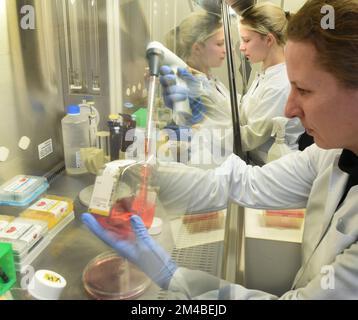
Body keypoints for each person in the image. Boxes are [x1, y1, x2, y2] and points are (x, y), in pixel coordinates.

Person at [82, 0, 358, 299]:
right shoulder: (330, 154)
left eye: (304, 90)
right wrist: (150, 173)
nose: (289, 109)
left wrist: (174, 277)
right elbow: (243, 183)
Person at [162, 2, 305, 166]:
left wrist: (205, 131)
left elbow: (249, 138)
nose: (241, 48)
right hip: (254, 162)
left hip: (270, 169)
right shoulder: (267, 75)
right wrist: (207, 90)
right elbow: (244, 108)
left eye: (246, 40)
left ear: (268, 40)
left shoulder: (280, 85)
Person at [160, 10, 233, 167]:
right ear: (198, 48)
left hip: (223, 163)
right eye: (219, 44)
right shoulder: (189, 88)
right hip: (206, 166)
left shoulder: (209, 79)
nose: (225, 50)